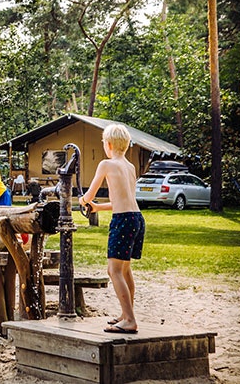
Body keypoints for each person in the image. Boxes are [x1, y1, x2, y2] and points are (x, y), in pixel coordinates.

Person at [79, 124, 145, 334]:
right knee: (125, 270)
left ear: (107, 145)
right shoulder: (130, 167)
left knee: (113, 270)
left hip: (123, 220)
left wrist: (84, 200)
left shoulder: (106, 164)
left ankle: (130, 320)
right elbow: (124, 200)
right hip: (136, 218)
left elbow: (88, 195)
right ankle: (126, 314)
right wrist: (98, 207)